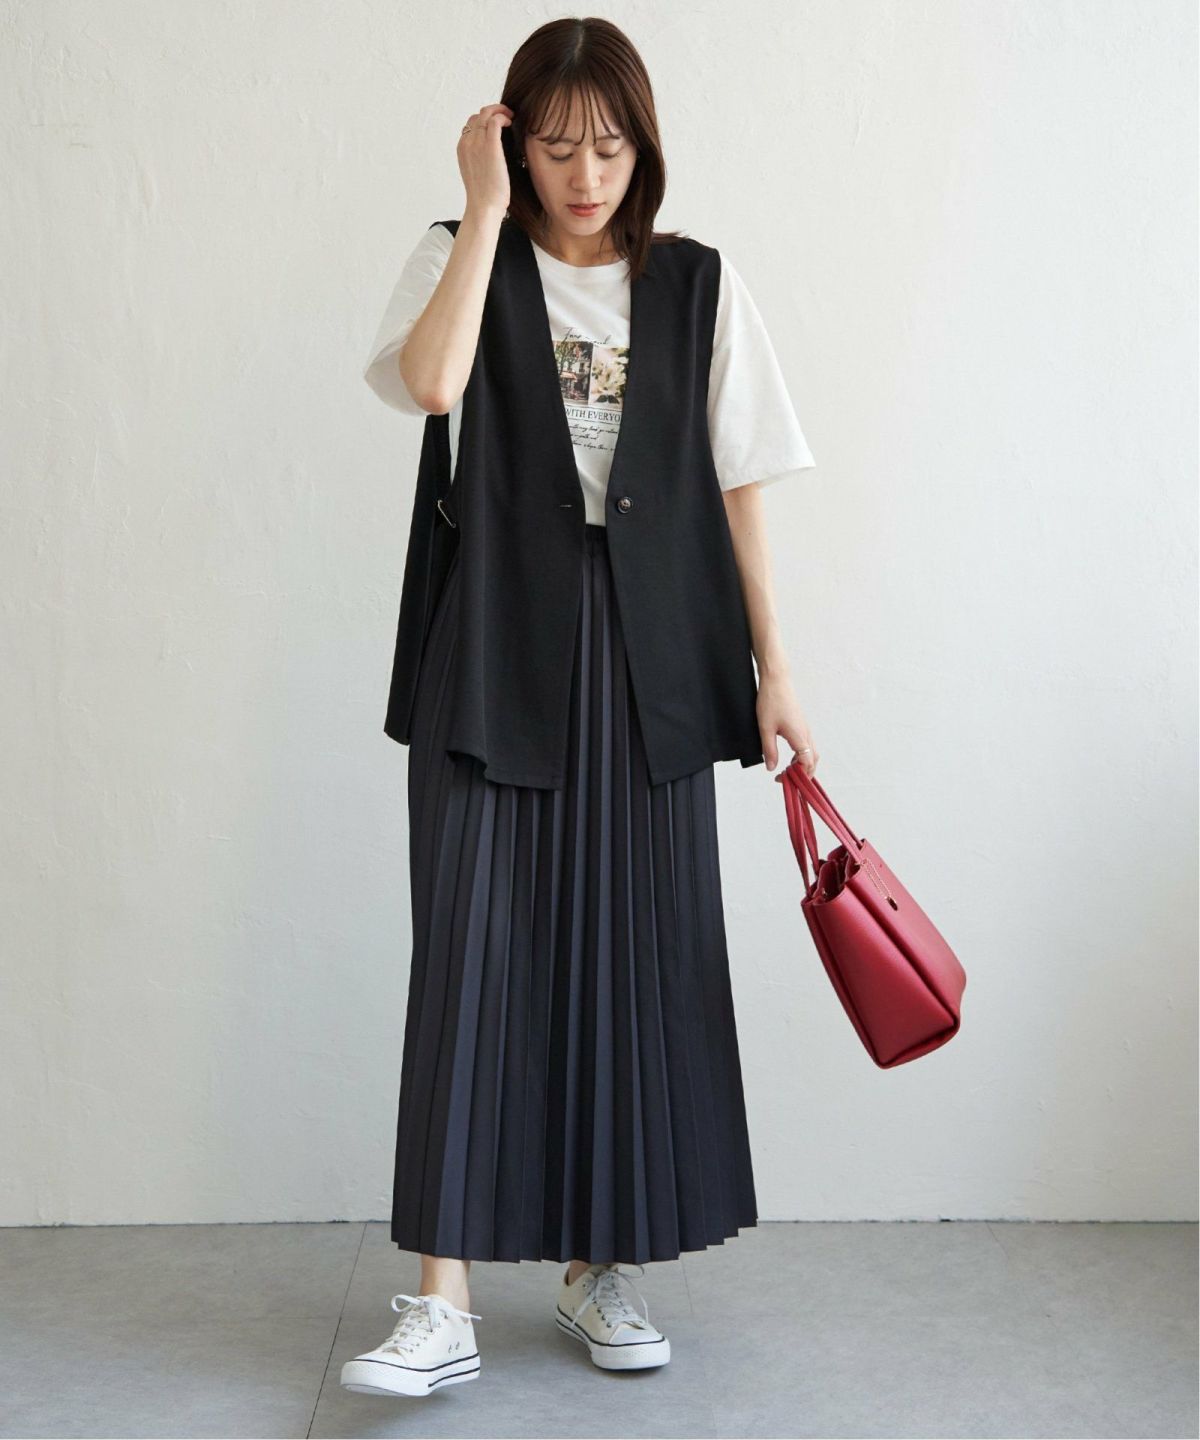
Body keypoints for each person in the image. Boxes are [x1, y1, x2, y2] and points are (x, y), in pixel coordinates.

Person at [341, 17, 821, 1401]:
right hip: (492, 645)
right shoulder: (462, 250)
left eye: (609, 147)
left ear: (644, 147)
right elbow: (432, 385)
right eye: (556, 149)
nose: (586, 175)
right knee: (470, 957)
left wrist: (776, 669)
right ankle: (441, 1301)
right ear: (514, 146)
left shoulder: (697, 285)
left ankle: (598, 1268)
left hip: (654, 658)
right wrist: (484, 209)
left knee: (628, 953)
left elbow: (741, 481)